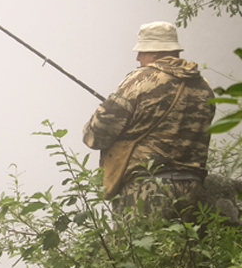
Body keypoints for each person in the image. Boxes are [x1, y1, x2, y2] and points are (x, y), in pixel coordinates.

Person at [82, 21, 215, 216]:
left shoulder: (142, 80)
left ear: (154, 52)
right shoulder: (204, 87)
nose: (138, 58)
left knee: (136, 246)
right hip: (192, 188)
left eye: (141, 52)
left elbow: (96, 134)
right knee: (177, 246)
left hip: (146, 188)